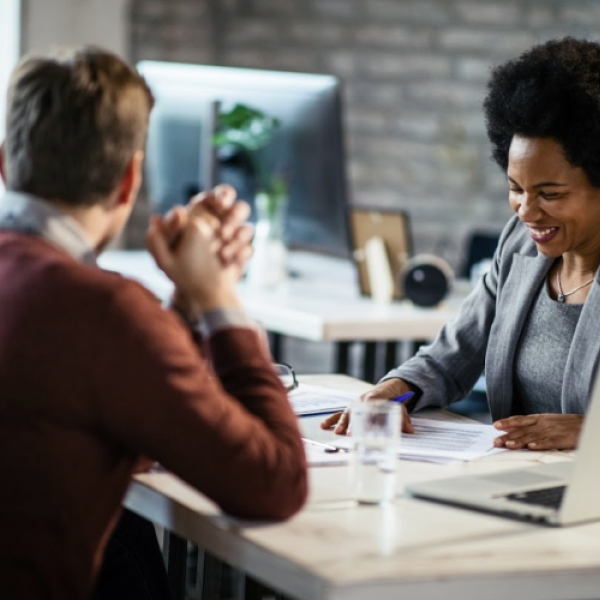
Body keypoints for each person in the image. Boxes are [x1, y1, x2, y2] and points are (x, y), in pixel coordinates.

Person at [0, 46, 307, 600]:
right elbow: (276, 484)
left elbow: (108, 419)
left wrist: (185, 309)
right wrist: (219, 298)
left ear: (3, 163)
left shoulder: (81, 310)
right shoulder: (104, 311)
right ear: (129, 179)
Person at [323, 36, 600, 452]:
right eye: (515, 188)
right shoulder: (520, 248)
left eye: (550, 194)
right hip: (516, 484)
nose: (525, 211)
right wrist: (393, 393)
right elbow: (450, 358)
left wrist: (590, 433)